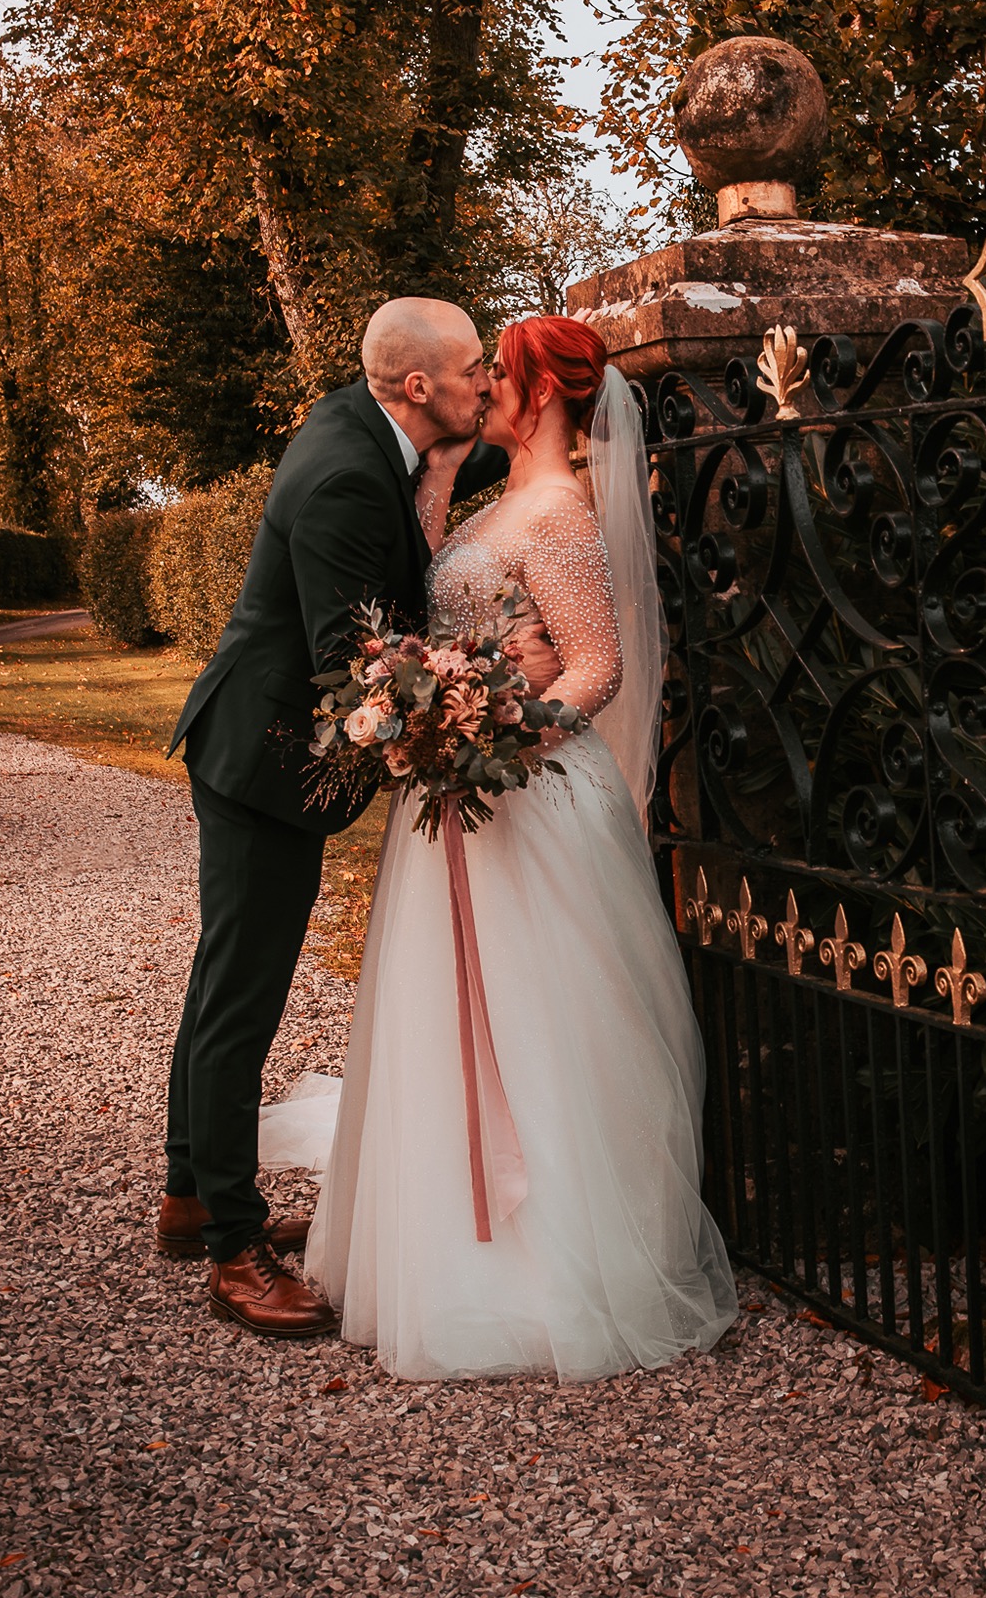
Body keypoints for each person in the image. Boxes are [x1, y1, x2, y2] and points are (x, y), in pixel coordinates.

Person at [260, 315, 737, 1378]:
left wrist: (501, 738)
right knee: (443, 1021)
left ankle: (546, 1266)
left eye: (501, 374)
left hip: (525, 798)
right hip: (459, 800)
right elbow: (461, 622)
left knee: (538, 1025)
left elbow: (596, 666)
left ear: (545, 391)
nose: (485, 390)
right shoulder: (490, 498)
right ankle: (433, 1231)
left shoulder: (560, 510)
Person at [159, 297, 560, 1338]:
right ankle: (233, 1249)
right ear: (419, 386)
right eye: (474, 367)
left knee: (222, 978)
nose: (486, 379)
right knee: (241, 997)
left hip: (251, 741)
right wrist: (468, 703)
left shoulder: (367, 427)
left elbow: (432, 477)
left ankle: (189, 1192)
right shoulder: (344, 474)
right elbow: (360, 664)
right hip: (265, 761)